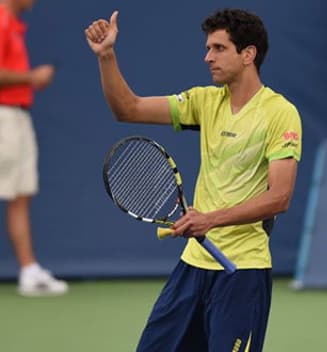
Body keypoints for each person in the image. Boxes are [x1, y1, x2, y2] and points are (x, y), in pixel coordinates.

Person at [85, 8, 301, 352]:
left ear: (248, 55)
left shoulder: (279, 113)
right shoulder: (204, 101)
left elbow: (280, 197)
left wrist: (210, 219)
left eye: (218, 48)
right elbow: (128, 109)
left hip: (243, 272)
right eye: (207, 48)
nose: (207, 57)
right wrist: (107, 56)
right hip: (193, 267)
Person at [0, 0, 68, 296]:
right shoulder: (1, 21)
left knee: (20, 195)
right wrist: (32, 77)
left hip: (16, 116)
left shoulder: (11, 24)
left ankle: (28, 270)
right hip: (4, 116)